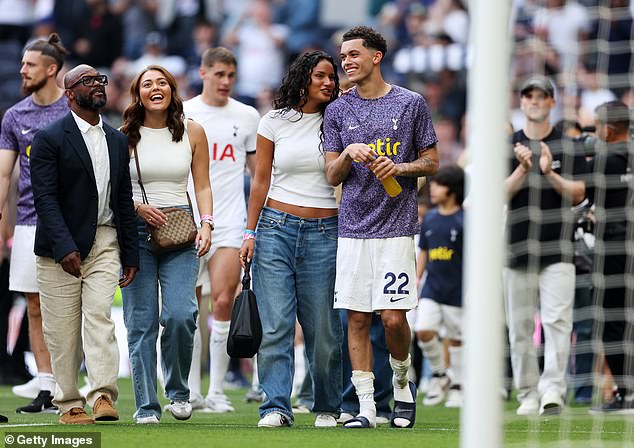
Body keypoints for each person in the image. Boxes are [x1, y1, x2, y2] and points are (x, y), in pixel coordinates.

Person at [324, 26, 439, 429]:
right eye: (343, 56)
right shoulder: (338, 110)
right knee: (356, 319)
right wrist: (348, 155)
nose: (347, 61)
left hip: (397, 227)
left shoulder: (411, 103)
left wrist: (401, 166)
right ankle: (367, 406)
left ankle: (403, 383)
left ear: (376, 57)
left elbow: (432, 162)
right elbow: (331, 174)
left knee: (392, 319)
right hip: (353, 228)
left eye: (354, 54)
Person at [30, 64, 139, 425]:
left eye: (99, 80)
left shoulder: (117, 139)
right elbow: (44, 199)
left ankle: (103, 395)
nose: (96, 84)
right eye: (86, 81)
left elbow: (124, 199)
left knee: (99, 318)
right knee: (61, 331)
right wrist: (64, 247)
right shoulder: (48, 137)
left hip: (105, 240)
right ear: (70, 94)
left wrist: (131, 254)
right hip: (58, 249)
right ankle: (69, 403)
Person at [239, 50, 343, 428]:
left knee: (323, 328)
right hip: (275, 229)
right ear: (303, 78)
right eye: (321, 76)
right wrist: (249, 232)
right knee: (276, 324)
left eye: (333, 76)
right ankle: (275, 407)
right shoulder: (274, 122)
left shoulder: (341, 118)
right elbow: (260, 182)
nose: (329, 82)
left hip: (326, 232)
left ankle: (327, 405)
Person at [120, 65, 213, 424]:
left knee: (181, 315)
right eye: (148, 84)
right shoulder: (122, 136)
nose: (155, 88)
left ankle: (178, 390)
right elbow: (111, 192)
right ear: (138, 94)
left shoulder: (193, 132)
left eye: (162, 83)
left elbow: (202, 185)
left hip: (180, 232)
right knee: (140, 323)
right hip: (135, 234)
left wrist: (207, 224)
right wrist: (138, 208)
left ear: (173, 91)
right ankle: (146, 405)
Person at [504, 75, 586, 416]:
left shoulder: (569, 146)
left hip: (559, 247)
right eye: (529, 96)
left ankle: (553, 389)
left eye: (541, 96)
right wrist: (523, 170)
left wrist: (548, 172)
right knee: (519, 328)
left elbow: (579, 193)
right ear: (522, 102)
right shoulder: (507, 146)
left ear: (552, 102)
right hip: (517, 246)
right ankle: (527, 393)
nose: (534, 101)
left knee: (557, 322)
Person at [183, 47, 259, 413]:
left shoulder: (246, 116)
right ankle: (191, 391)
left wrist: (255, 225)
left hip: (229, 219)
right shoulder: (183, 112)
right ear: (203, 72)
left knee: (224, 302)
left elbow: (258, 175)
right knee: (190, 307)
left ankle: (216, 391)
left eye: (231, 75)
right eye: (219, 74)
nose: (226, 81)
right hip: (188, 221)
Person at [0, 33, 69, 414]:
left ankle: (69, 383)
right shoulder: (15, 115)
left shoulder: (73, 111)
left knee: (70, 306)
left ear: (51, 70)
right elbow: (4, 174)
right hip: (28, 221)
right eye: (23, 63)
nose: (22, 70)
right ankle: (46, 387)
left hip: (70, 222)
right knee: (35, 305)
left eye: (29, 65)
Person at [588, 101, 634, 414]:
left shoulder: (604, 158)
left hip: (614, 246)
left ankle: (626, 392)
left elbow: (586, 195)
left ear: (608, 128)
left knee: (611, 320)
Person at [415, 165, 465, 408]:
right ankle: (439, 375)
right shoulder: (431, 219)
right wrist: (416, 278)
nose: (432, 189)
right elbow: (424, 250)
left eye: (439, 184)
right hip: (431, 288)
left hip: (457, 289)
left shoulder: (465, 221)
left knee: (456, 339)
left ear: (453, 190)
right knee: (423, 329)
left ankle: (458, 385)